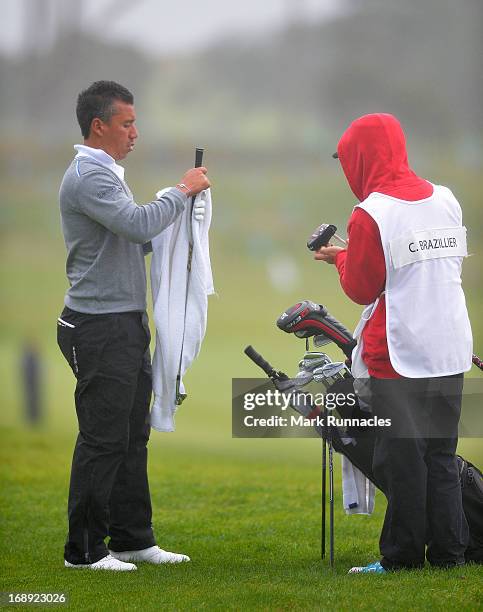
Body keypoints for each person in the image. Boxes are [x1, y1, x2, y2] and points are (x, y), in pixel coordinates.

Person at [57, 80, 210, 571]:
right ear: (99, 126)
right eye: (127, 123)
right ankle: (83, 551)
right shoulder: (90, 176)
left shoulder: (107, 173)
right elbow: (140, 225)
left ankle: (131, 540)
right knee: (103, 439)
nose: (135, 133)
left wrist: (181, 225)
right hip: (97, 326)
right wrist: (181, 192)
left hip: (122, 322)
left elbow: (134, 239)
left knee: (130, 435)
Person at [315, 113, 473, 573]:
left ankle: (402, 557)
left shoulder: (371, 213)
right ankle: (449, 554)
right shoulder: (446, 199)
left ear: (360, 158)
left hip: (398, 352)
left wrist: (340, 259)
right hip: (449, 345)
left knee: (402, 456)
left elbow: (362, 288)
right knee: (441, 454)